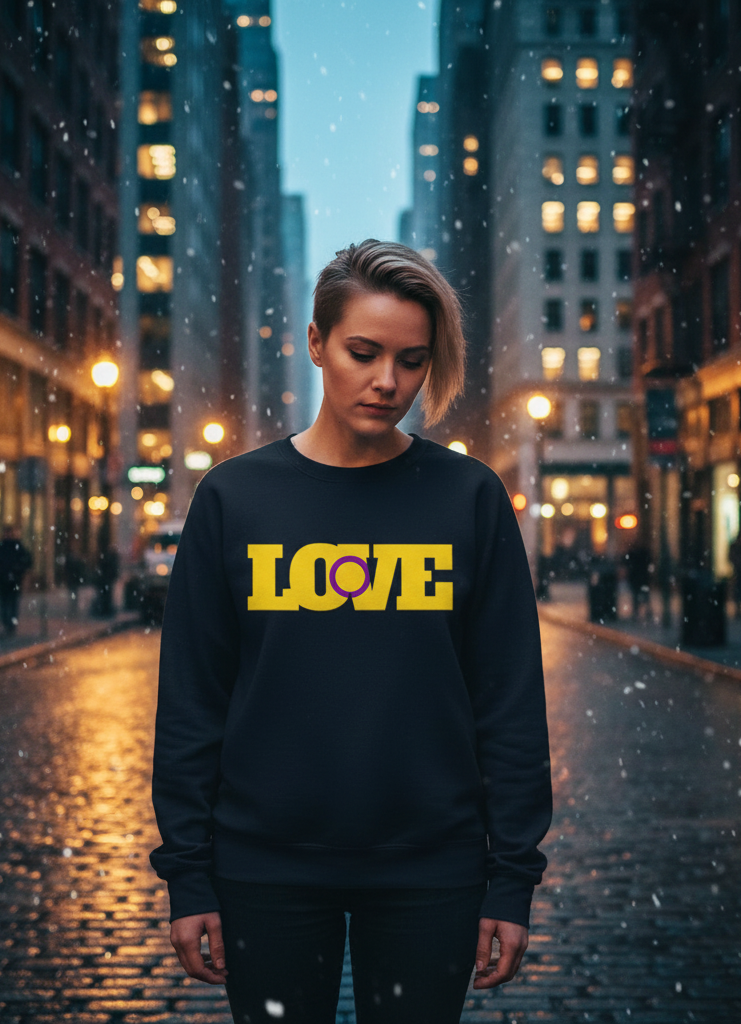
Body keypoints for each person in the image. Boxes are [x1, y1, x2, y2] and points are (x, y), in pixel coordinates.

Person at [150, 240, 552, 1024]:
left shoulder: (468, 499)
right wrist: (189, 875)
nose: (387, 381)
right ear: (315, 343)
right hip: (263, 867)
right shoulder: (234, 499)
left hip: (430, 870)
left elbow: (508, 701)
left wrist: (511, 879)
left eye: (411, 360)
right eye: (362, 352)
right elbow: (193, 703)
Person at [0, 524, 32, 634]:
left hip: (13, 579)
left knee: (11, 602)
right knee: (5, 602)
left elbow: (27, 560)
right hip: (3, 579)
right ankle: (7, 623)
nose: (8, 535)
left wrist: (20, 570)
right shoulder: (2, 546)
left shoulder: (16, 546)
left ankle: (10, 624)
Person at [624, 540, 653, 623]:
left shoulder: (633, 553)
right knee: (644, 594)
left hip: (637, 577)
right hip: (642, 577)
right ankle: (646, 611)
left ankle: (637, 612)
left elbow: (628, 563)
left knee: (637, 595)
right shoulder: (644, 552)